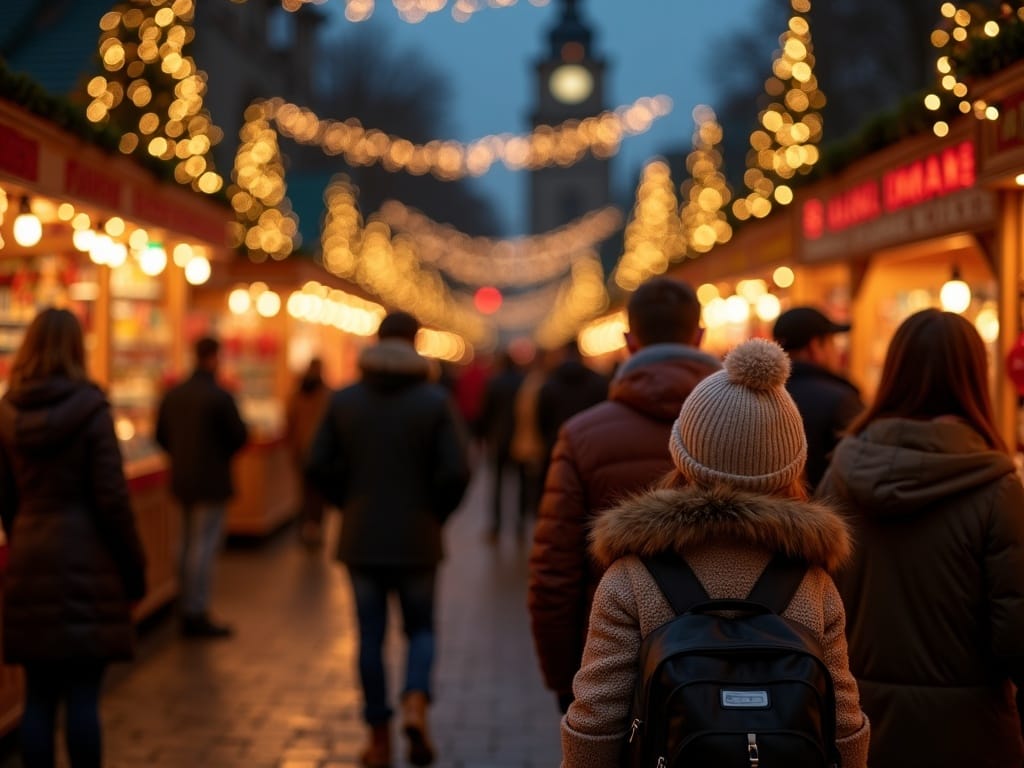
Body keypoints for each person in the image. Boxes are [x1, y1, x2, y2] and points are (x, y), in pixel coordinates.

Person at [560, 338, 869, 767]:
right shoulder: (812, 583)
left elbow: (596, 723)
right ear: (792, 465)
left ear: (684, 454)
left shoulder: (632, 576)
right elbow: (845, 728)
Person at [816, 308, 1024, 768]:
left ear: (894, 372)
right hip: (970, 737)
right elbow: (1015, 636)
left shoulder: (840, 475)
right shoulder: (998, 489)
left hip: (856, 729)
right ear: (975, 376)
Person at [528, 277, 720, 713]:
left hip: (612, 663)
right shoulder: (755, 427)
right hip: (732, 663)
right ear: (701, 336)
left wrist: (566, 680)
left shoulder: (581, 436)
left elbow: (554, 571)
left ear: (629, 341)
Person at [306, 311, 471, 768]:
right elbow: (458, 470)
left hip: (361, 538)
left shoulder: (345, 400)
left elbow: (316, 463)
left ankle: (378, 739)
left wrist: (348, 501)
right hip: (418, 537)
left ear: (376, 342)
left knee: (370, 638)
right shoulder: (434, 401)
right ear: (415, 342)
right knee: (420, 628)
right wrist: (435, 513)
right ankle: (415, 699)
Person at [0, 308, 147, 768]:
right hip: (88, 563)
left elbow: (6, 497)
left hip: (29, 559)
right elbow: (112, 500)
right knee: (84, 697)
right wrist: (134, 570)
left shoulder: (5, 414)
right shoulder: (91, 410)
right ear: (77, 350)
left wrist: (22, 537)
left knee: (39, 698)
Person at [156, 336, 248, 639]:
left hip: (181, 479)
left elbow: (160, 436)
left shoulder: (174, 395)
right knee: (203, 546)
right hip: (211, 481)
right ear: (214, 357)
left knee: (184, 544)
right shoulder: (219, 396)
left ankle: (185, 604)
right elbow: (239, 436)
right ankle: (196, 610)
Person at [772, 305, 864, 489]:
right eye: (832, 342)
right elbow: (861, 470)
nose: (836, 351)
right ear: (815, 346)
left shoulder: (763, 393)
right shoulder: (840, 400)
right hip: (827, 513)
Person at [536, 338, 607, 481]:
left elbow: (542, 420)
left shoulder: (549, 384)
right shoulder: (598, 382)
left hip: (557, 447)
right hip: (592, 448)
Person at [475, 350, 526, 542]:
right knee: (521, 483)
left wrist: (481, 437)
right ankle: (519, 524)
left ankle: (495, 526)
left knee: (496, 483)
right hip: (519, 440)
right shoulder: (523, 381)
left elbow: (485, 412)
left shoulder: (493, 382)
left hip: (497, 439)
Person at [285, 357, 331, 547]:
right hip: (319, 452)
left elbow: (289, 421)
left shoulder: (297, 394)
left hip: (301, 450)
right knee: (318, 495)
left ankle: (305, 529)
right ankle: (315, 529)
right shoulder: (327, 395)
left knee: (304, 493)